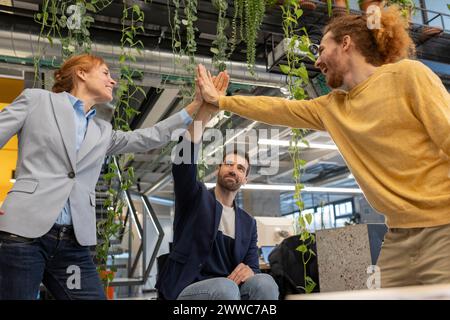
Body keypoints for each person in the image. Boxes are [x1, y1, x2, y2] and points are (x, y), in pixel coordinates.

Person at [196, 6, 450, 288]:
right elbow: (279, 109)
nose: (317, 61)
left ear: (345, 43)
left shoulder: (407, 75)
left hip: (444, 229)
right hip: (398, 236)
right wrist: (222, 101)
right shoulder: (332, 107)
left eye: (321, 49)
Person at [0, 53, 202, 299]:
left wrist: (196, 106)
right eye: (106, 73)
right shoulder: (37, 101)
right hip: (23, 232)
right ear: (81, 73)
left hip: (73, 241)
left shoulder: (102, 131)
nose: (113, 81)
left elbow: (151, 136)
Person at [155, 72, 279, 300]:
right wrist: (205, 114)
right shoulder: (195, 197)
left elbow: (252, 265)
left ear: (245, 180)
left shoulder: (247, 223)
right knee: (225, 288)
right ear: (218, 170)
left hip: (228, 292)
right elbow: (183, 162)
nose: (234, 169)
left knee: (265, 283)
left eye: (241, 169)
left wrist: (250, 270)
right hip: (188, 288)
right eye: (229, 164)